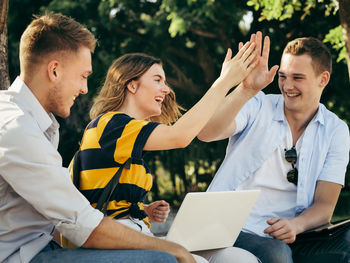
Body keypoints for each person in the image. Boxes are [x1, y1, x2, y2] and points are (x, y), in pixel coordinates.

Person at [0, 12, 261, 263]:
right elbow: (81, 223)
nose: (84, 88)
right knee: (163, 259)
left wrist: (141, 211)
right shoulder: (18, 127)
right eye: (83, 76)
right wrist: (225, 81)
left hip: (46, 247)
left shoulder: (38, 124)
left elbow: (70, 205)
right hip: (26, 256)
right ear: (54, 70)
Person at [70, 50, 262, 263]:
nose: (166, 89)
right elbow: (179, 136)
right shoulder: (110, 124)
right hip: (114, 240)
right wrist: (225, 81)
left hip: (137, 234)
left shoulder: (128, 137)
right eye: (157, 79)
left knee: (237, 258)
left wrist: (143, 209)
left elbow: (101, 193)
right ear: (132, 85)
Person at [197, 32, 350, 263]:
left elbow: (324, 206)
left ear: (323, 79)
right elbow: (207, 132)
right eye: (283, 76)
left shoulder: (336, 130)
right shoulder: (257, 104)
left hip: (295, 233)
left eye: (298, 77)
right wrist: (245, 90)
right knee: (276, 254)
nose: (287, 86)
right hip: (237, 227)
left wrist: (295, 226)